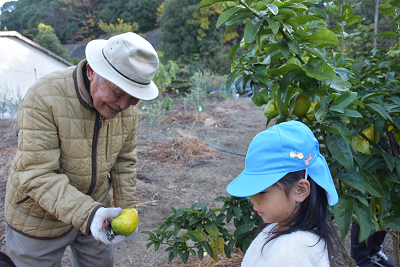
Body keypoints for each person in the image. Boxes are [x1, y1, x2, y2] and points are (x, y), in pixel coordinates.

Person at [4, 32, 159, 267]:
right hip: (38, 216)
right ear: (91, 72)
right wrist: (90, 214)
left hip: (95, 208)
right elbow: (37, 174)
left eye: (134, 98)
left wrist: (127, 210)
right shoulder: (44, 98)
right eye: (118, 94)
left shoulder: (126, 109)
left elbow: (124, 163)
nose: (124, 105)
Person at [226, 120, 341, 266]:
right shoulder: (281, 228)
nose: (253, 199)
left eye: (262, 191)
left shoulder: (291, 254)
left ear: (300, 190)